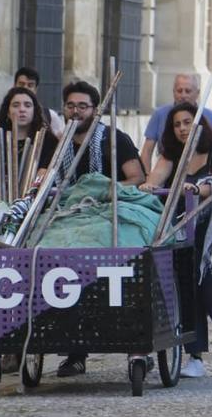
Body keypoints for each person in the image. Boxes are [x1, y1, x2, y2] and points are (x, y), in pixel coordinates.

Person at [40, 80, 145, 377]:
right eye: (71, 106)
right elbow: (45, 177)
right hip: (69, 218)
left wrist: (103, 191)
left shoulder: (114, 139)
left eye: (82, 106)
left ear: (95, 110)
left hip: (108, 216)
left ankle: (133, 346)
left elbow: (136, 177)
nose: (76, 111)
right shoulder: (56, 143)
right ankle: (75, 351)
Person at [142, 103, 212, 377]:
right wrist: (149, 186)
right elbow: (156, 178)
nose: (183, 128)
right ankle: (194, 357)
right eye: (177, 124)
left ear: (200, 125)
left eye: (188, 122)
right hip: (187, 230)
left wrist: (198, 188)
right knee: (189, 290)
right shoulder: (173, 155)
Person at [0, 87, 58, 194]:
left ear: (34, 111)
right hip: (3, 203)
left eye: (27, 105)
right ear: (8, 112)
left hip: (34, 202)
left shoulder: (48, 140)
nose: (22, 109)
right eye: (16, 105)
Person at [140, 73, 212, 171]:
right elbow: (146, 151)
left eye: (188, 91)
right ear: (173, 92)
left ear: (197, 93)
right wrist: (146, 177)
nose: (183, 95)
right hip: (167, 170)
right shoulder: (159, 114)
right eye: (179, 91)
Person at [13, 66, 66, 137]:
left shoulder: (50, 116)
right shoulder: (3, 115)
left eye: (30, 85)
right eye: (21, 84)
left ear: (36, 89)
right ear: (14, 86)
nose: (25, 88)